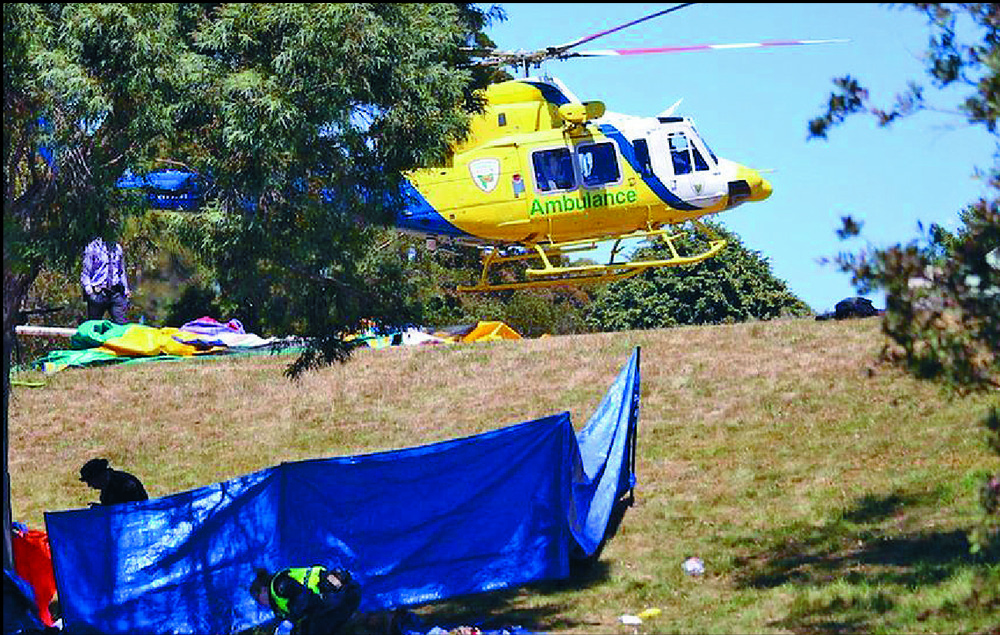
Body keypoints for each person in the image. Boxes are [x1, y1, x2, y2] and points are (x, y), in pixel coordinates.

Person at [251, 565, 361, 635]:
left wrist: (290, 621)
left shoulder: (279, 585)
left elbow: (303, 598)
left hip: (337, 600)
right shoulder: (278, 600)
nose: (260, 604)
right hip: (334, 602)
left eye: (258, 598)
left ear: (264, 590)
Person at [80, 224, 131, 324]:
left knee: (121, 325)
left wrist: (125, 290)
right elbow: (86, 273)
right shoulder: (93, 248)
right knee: (94, 327)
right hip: (98, 292)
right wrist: (90, 292)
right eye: (110, 229)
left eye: (115, 229)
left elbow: (121, 271)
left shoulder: (117, 248)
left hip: (115, 292)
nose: (113, 232)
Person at [79, 458, 148, 506]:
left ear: (100, 477)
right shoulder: (107, 487)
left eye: (91, 482)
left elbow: (131, 507)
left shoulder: (124, 483)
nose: (89, 485)